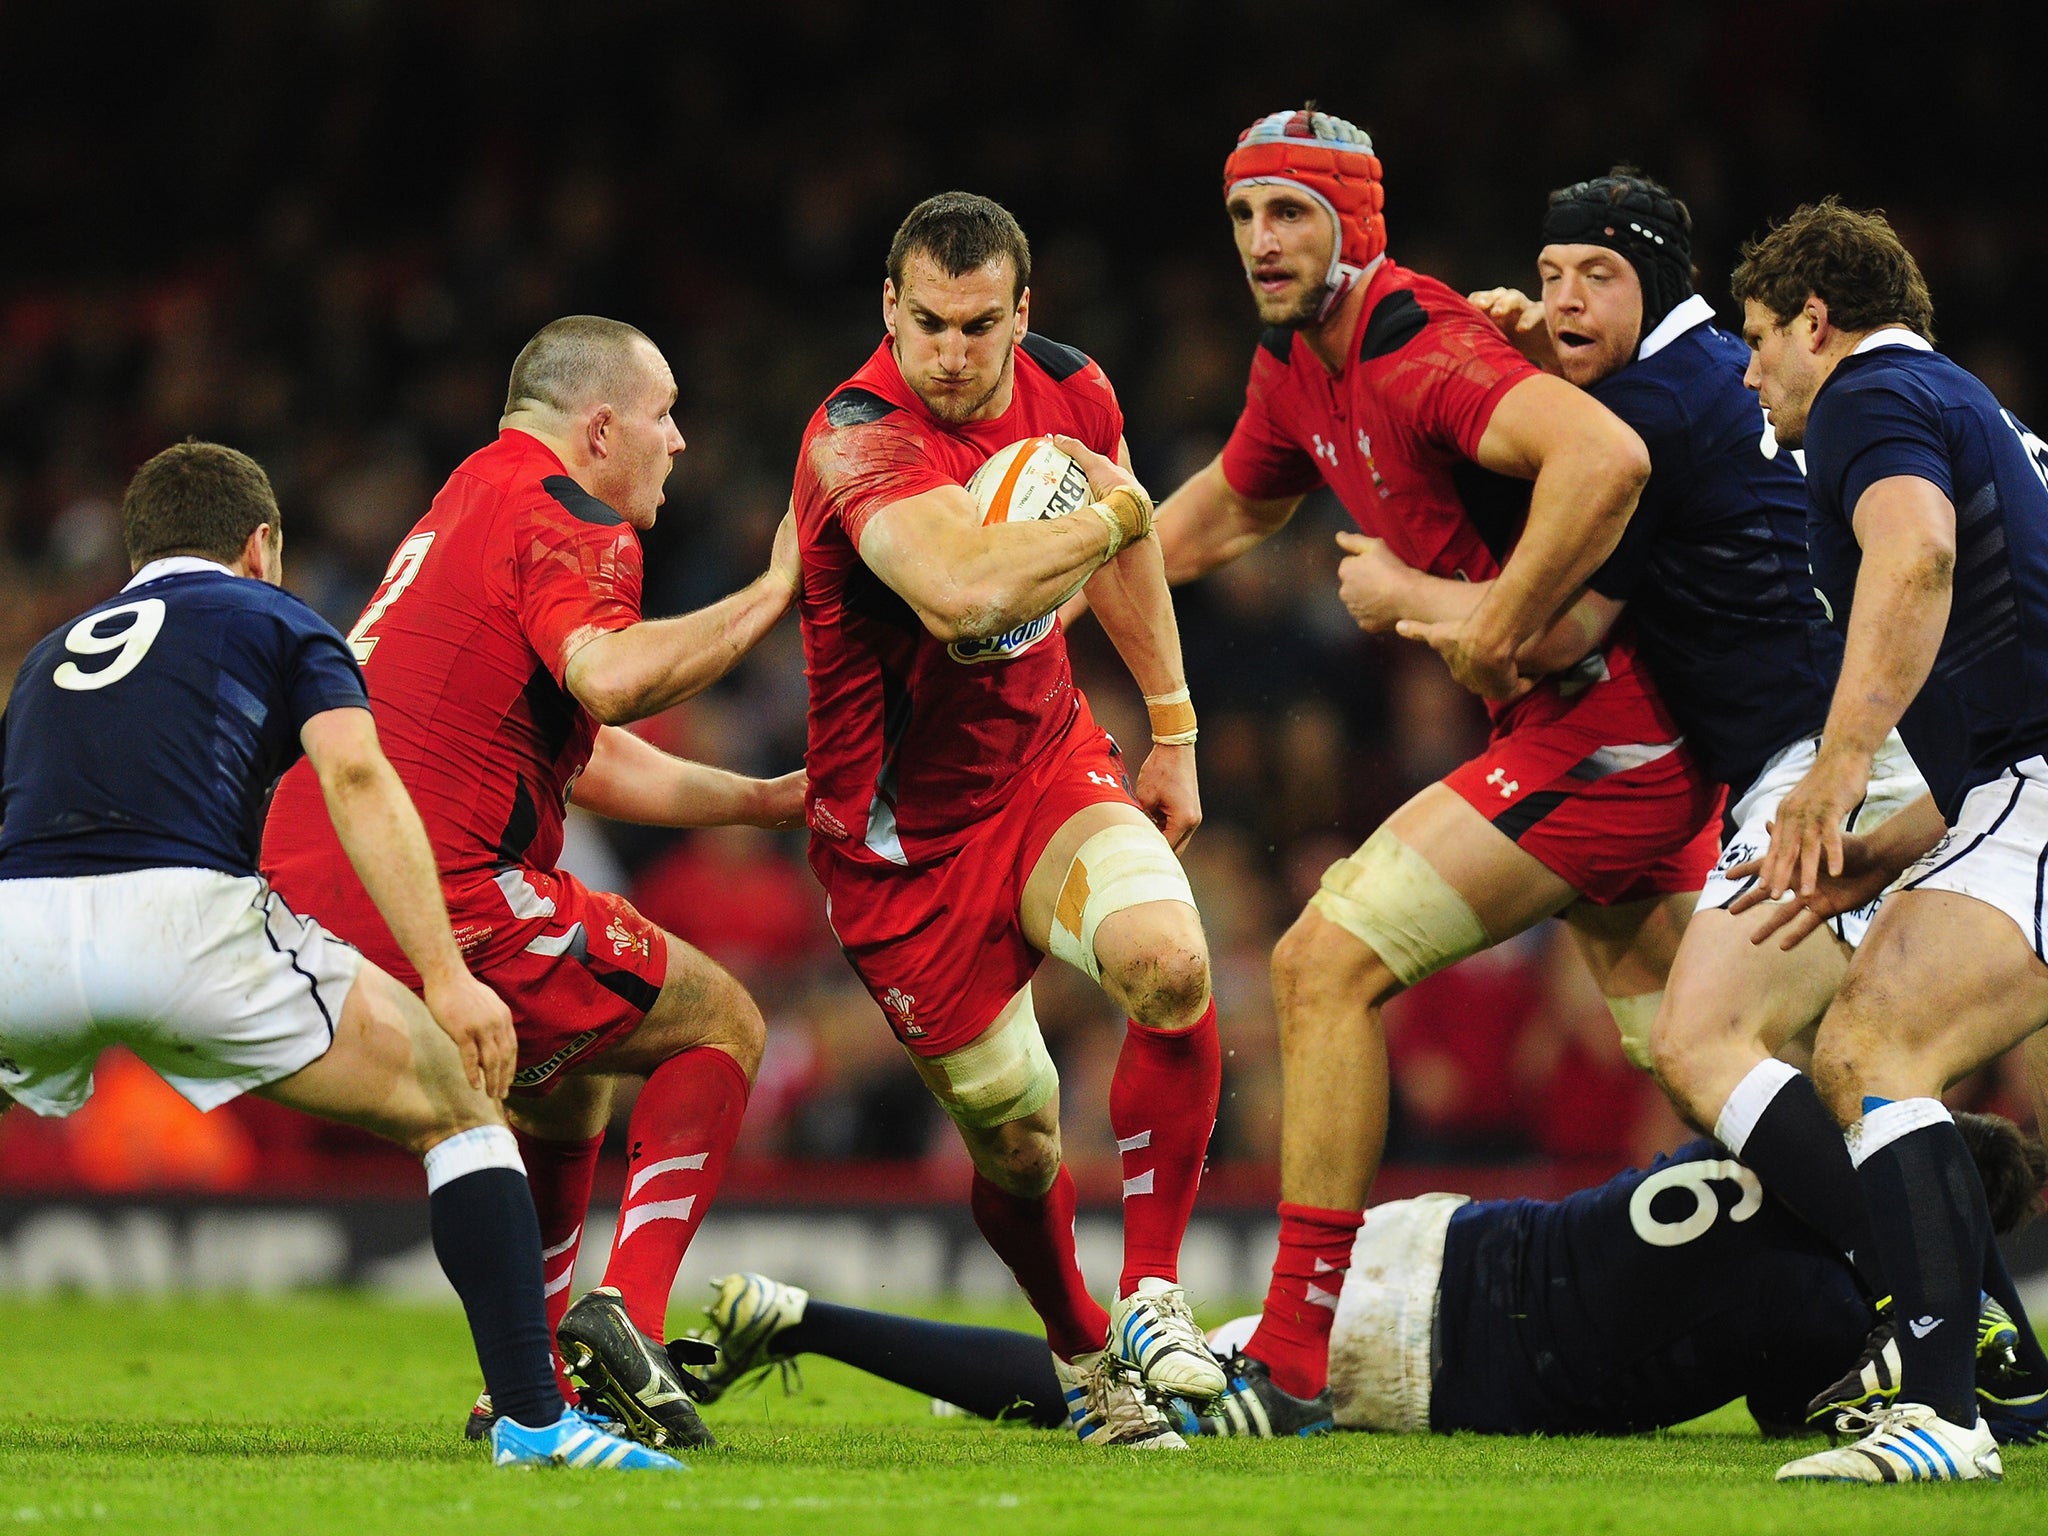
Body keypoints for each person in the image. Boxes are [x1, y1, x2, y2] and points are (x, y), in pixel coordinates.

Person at [1149, 108, 1723, 1430]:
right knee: (1709, 1053)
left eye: (1289, 211)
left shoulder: (1421, 343)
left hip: (1605, 735)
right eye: (1243, 215)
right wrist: (1062, 590)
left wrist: (1490, 619)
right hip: (1576, 740)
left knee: (1318, 961)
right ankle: (1942, 1306)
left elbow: (1606, 456)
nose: (1260, 240)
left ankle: (1290, 1363)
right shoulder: (1297, 362)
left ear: (1356, 221)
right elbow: (1234, 505)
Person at [1344, 171, 1930, 1369]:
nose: (1562, 300)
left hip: (1823, 770)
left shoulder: (1644, 420)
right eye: (1550, 274)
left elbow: (1545, 637)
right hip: (1840, 758)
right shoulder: (1708, 377)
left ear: (1656, 280)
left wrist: (1405, 595)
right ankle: (1924, 1325)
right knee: (1827, 1067)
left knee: (1700, 1042)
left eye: (1595, 277)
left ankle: (1928, 1303)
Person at [0, 442, 676, 1472]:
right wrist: (448, 978)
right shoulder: (278, 618)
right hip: (182, 925)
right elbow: (358, 780)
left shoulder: (49, 656)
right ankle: (538, 1426)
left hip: (22, 932)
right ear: (259, 545)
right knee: (460, 1108)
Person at [260, 316, 804, 1451]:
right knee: (722, 1021)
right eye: (663, 415)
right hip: (438, 883)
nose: (681, 441)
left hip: (306, 876)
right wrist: (772, 591)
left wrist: (755, 800)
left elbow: (573, 746)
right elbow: (607, 682)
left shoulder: (472, 492)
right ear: (599, 428)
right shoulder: (573, 517)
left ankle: (529, 1379)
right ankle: (626, 1318)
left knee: (571, 1084)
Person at [790, 191, 1222, 1448]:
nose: (952, 352)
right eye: (926, 321)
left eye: (980, 326)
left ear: (1023, 313)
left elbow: (1122, 559)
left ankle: (1151, 1298)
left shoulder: (1071, 388)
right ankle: (1086, 1359)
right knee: (1021, 1141)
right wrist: (1112, 510)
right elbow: (963, 596)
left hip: (1040, 771)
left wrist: (1175, 726)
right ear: (888, 306)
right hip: (898, 850)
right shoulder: (855, 435)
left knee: (1170, 964)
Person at [686, 1112, 2047, 1444]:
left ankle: (800, 1316)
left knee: (1130, 1388)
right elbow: (1785, 1410)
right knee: (1119, 1411)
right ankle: (803, 1315)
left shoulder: (1760, 1133)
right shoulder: (1820, 1297)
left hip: (1435, 1241)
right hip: (1439, 1350)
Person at [1709, 198, 2048, 1484]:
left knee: (1869, 1046)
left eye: (1756, 335)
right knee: (1883, 1048)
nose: (1748, 370)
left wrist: (1835, 779)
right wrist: (1889, 845)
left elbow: (1913, 561)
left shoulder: (1866, 395)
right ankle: (1984, 1397)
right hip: (2012, 784)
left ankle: (1949, 1413)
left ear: (1815, 320)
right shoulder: (1967, 404)